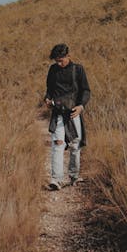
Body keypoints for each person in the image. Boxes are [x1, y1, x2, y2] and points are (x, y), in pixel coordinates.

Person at [44, 43, 91, 190]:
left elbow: (85, 90)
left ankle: (74, 176)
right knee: (58, 144)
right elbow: (49, 90)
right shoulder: (53, 70)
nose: (59, 63)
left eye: (61, 60)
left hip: (73, 112)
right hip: (58, 112)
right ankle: (56, 179)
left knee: (75, 144)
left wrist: (81, 106)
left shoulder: (78, 70)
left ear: (68, 56)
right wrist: (47, 99)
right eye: (56, 60)